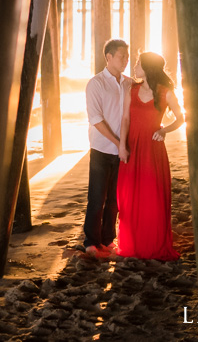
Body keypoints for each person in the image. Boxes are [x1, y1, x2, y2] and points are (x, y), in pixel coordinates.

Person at [116, 52, 185, 261]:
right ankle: (134, 244)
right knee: (130, 195)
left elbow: (181, 118)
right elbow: (126, 119)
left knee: (152, 196)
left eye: (138, 63)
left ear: (147, 67)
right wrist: (122, 145)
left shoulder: (166, 93)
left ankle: (153, 244)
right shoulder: (132, 89)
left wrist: (164, 130)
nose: (135, 66)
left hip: (153, 150)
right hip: (133, 147)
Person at [83, 39, 131, 258]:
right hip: (102, 148)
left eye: (127, 56)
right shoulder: (96, 84)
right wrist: (118, 142)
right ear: (109, 57)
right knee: (97, 197)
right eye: (121, 56)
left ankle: (108, 239)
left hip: (124, 150)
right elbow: (96, 119)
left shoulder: (130, 83)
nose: (125, 59)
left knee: (115, 200)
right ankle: (91, 242)